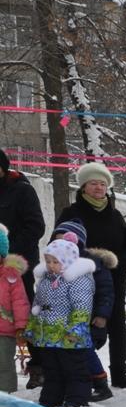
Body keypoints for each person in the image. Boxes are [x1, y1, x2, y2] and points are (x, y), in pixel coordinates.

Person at [57, 162, 126, 389]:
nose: (98, 188)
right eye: (93, 183)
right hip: (81, 282)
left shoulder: (115, 215)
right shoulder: (71, 213)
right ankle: (85, 374)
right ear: (84, 187)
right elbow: (59, 245)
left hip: (113, 282)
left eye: (103, 184)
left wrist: (119, 263)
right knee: (82, 326)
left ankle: (120, 375)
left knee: (116, 327)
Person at [24, 239, 95, 407]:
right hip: (49, 334)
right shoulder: (46, 280)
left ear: (68, 261)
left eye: (56, 261)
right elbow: (37, 305)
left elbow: (82, 306)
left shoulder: (78, 280)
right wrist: (32, 328)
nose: (50, 265)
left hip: (69, 335)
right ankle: (51, 397)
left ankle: (77, 398)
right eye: (48, 261)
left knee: (73, 368)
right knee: (52, 367)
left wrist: (76, 329)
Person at [52, 219, 117, 402]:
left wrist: (102, 314)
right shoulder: (55, 264)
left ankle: (100, 384)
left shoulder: (92, 264)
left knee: (85, 351)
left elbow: (106, 291)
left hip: (88, 318)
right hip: (63, 319)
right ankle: (76, 384)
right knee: (69, 353)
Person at [0, 149, 46, 388]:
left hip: (19, 266)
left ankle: (38, 366)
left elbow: (36, 226)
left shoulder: (22, 190)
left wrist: (7, 251)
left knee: (24, 314)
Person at [0, 224, 31, 392]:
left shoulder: (10, 275)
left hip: (4, 331)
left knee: (4, 364)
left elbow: (20, 301)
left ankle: (6, 395)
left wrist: (21, 327)